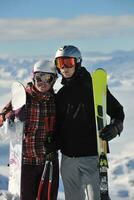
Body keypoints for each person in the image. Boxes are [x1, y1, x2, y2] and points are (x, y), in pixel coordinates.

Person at [54, 45, 125, 200]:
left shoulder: (93, 86)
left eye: (68, 62)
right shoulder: (61, 94)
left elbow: (117, 111)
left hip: (92, 158)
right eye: (60, 63)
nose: (64, 67)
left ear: (78, 62)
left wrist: (115, 128)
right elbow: (58, 125)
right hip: (67, 160)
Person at [0, 60, 59, 200]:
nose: (42, 82)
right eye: (39, 77)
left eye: (47, 78)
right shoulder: (23, 98)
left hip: (48, 161)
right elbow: (4, 115)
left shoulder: (55, 101)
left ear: (54, 80)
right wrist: (9, 119)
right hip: (26, 163)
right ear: (33, 77)